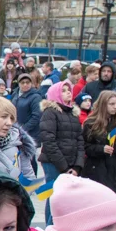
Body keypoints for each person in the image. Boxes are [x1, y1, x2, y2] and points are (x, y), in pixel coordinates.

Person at [39, 80, 86, 222]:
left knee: (65, 199)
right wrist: (64, 167)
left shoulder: (73, 114)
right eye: (64, 90)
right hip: (54, 163)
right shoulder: (50, 113)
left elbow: (79, 140)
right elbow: (49, 141)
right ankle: (50, 228)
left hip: (71, 164)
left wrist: (77, 165)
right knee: (54, 197)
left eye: (69, 90)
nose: (68, 93)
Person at [82, 90, 116, 195]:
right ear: (103, 104)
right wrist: (100, 149)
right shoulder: (91, 123)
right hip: (97, 168)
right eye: (112, 104)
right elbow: (84, 145)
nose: (115, 107)